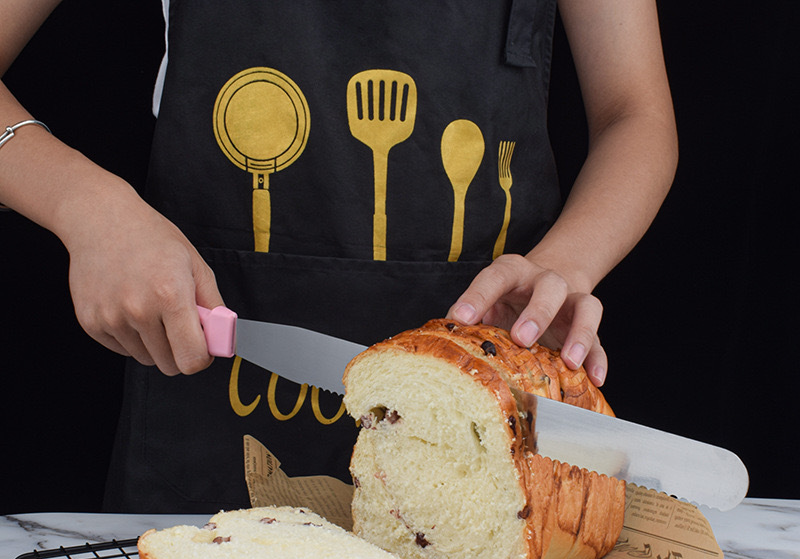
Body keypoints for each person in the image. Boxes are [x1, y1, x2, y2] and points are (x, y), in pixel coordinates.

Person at [0, 0, 678, 513]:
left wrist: (564, 264)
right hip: (211, 429)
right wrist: (88, 208)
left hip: (480, 439)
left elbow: (636, 114)